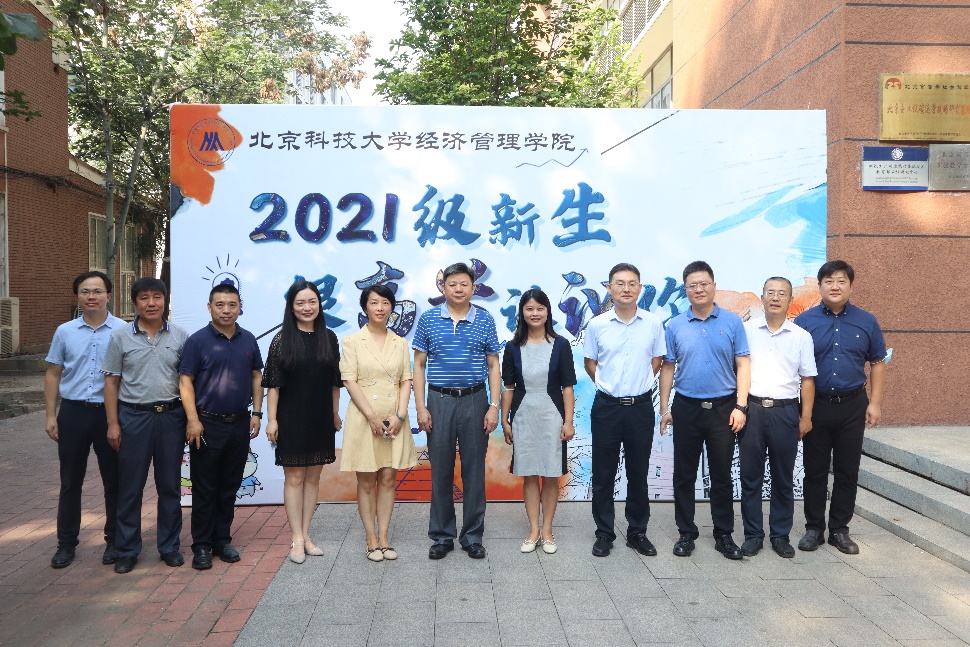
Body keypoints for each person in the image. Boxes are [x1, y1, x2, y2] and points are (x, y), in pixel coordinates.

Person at [659, 260, 750, 560]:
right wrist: (665, 408)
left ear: (713, 286)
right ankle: (686, 533)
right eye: (692, 285)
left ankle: (724, 534)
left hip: (724, 408)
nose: (698, 289)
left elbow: (743, 365)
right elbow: (668, 368)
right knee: (684, 474)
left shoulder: (732, 322)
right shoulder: (675, 325)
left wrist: (741, 406)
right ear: (685, 290)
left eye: (703, 284)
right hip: (686, 407)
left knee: (722, 474)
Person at [794, 260, 886, 555]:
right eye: (829, 281)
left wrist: (875, 403)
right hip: (816, 405)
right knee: (815, 470)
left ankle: (839, 530)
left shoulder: (866, 321)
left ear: (851, 286)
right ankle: (814, 528)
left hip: (852, 405)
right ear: (820, 286)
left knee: (847, 470)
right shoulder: (804, 322)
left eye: (841, 281)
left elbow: (878, 363)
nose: (835, 286)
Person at [413, 262, 502, 560]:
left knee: (474, 471)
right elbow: (419, 365)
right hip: (439, 400)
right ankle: (442, 536)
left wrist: (493, 406)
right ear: (443, 287)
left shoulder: (485, 320)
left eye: (464, 284)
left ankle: (472, 536)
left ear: (473, 288)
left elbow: (493, 365)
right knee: (440, 469)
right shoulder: (428, 319)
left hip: (475, 400)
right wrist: (421, 406)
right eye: (452, 284)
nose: (459, 289)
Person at [102, 277, 189, 574]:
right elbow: (111, 383)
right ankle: (127, 549)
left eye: (157, 297)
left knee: (170, 487)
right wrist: (113, 424)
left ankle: (169, 546)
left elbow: (188, 381)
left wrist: (190, 419)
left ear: (165, 300)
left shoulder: (180, 336)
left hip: (171, 418)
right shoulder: (120, 337)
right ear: (134, 302)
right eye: (144, 298)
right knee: (130, 487)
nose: (151, 303)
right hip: (133, 418)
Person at [583, 263, 667, 558]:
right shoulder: (597, 325)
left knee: (638, 473)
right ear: (609, 288)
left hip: (640, 408)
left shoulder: (653, 323)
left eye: (632, 283)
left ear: (640, 288)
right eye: (619, 283)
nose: (626, 289)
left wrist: (638, 385)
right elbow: (590, 363)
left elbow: (657, 361)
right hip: (606, 407)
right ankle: (604, 533)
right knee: (603, 474)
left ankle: (637, 532)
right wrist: (609, 386)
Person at [178, 283, 264, 570]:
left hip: (239, 423)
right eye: (220, 305)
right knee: (205, 488)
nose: (226, 310)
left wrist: (257, 413)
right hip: (206, 425)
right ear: (209, 307)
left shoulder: (248, 339)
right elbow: (185, 381)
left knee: (229, 486)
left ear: (239, 307)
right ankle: (201, 546)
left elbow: (256, 376)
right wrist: (193, 420)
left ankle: (222, 540)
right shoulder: (197, 341)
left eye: (232, 304)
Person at [45, 271, 126, 569]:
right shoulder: (64, 331)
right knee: (70, 482)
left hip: (110, 415)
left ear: (109, 295)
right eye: (85, 291)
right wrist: (50, 415)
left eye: (97, 291)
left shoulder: (123, 330)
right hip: (74, 413)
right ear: (77, 296)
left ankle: (115, 541)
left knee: (114, 480)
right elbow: (53, 373)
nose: (91, 296)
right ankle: (66, 543)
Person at [262, 280, 342, 564]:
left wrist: (335, 414)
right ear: (291, 307)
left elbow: (335, 382)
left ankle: (306, 535)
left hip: (321, 417)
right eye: (300, 303)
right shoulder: (282, 340)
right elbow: (273, 385)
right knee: (294, 477)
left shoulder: (329, 337)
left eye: (312, 302)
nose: (307, 307)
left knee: (313, 477)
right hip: (291, 417)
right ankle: (296, 538)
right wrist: (272, 420)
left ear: (319, 304)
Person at [738, 277, 817, 558]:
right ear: (762, 297)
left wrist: (805, 417)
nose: (775, 298)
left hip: (786, 412)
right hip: (753, 410)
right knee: (751, 477)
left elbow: (807, 379)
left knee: (783, 477)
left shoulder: (801, 336)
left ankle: (780, 535)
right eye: (770, 292)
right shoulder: (746, 331)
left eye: (782, 293)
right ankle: (753, 535)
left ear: (790, 300)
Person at [340, 285, 417, 562]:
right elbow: (349, 380)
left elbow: (406, 380)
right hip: (364, 418)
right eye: (374, 303)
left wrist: (400, 415)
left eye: (385, 303)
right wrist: (372, 417)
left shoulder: (400, 342)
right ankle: (370, 538)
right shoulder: (352, 342)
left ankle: (384, 537)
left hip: (394, 418)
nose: (380, 308)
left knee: (387, 478)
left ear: (392, 308)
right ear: (365, 307)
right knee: (366, 479)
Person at [500, 289, 577, 555]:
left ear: (547, 312)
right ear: (522, 313)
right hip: (523, 416)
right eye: (529, 309)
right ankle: (533, 531)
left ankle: (547, 531)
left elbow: (568, 387)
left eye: (540, 308)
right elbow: (508, 388)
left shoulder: (561, 345)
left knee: (551, 473)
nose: (535, 313)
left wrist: (568, 421)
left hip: (552, 416)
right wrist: (505, 420)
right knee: (530, 474)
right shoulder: (512, 347)